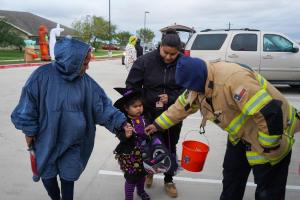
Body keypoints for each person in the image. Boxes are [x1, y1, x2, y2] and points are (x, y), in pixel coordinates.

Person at [145, 56, 300, 200]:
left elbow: (270, 114)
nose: (192, 92)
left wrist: (268, 146)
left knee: (268, 191)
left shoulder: (234, 80)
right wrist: (157, 125)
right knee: (231, 180)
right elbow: (182, 106)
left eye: (194, 89)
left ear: (200, 80)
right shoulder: (198, 82)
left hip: (270, 136)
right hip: (239, 136)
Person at [11, 37, 132, 200]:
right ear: (71, 61)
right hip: (46, 140)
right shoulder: (41, 76)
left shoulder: (86, 83)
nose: (87, 67)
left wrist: (121, 123)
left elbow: (102, 106)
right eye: (84, 63)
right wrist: (29, 130)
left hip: (74, 143)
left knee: (69, 179)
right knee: (48, 177)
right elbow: (28, 105)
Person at [126, 29, 184, 198]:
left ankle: (168, 179)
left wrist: (172, 97)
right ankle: (148, 172)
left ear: (179, 51)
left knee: (170, 145)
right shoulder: (145, 61)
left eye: (173, 54)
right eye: (165, 52)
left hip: (173, 113)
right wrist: (141, 104)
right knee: (148, 145)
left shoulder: (184, 63)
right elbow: (131, 86)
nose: (168, 57)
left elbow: (189, 89)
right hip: (149, 113)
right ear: (160, 46)